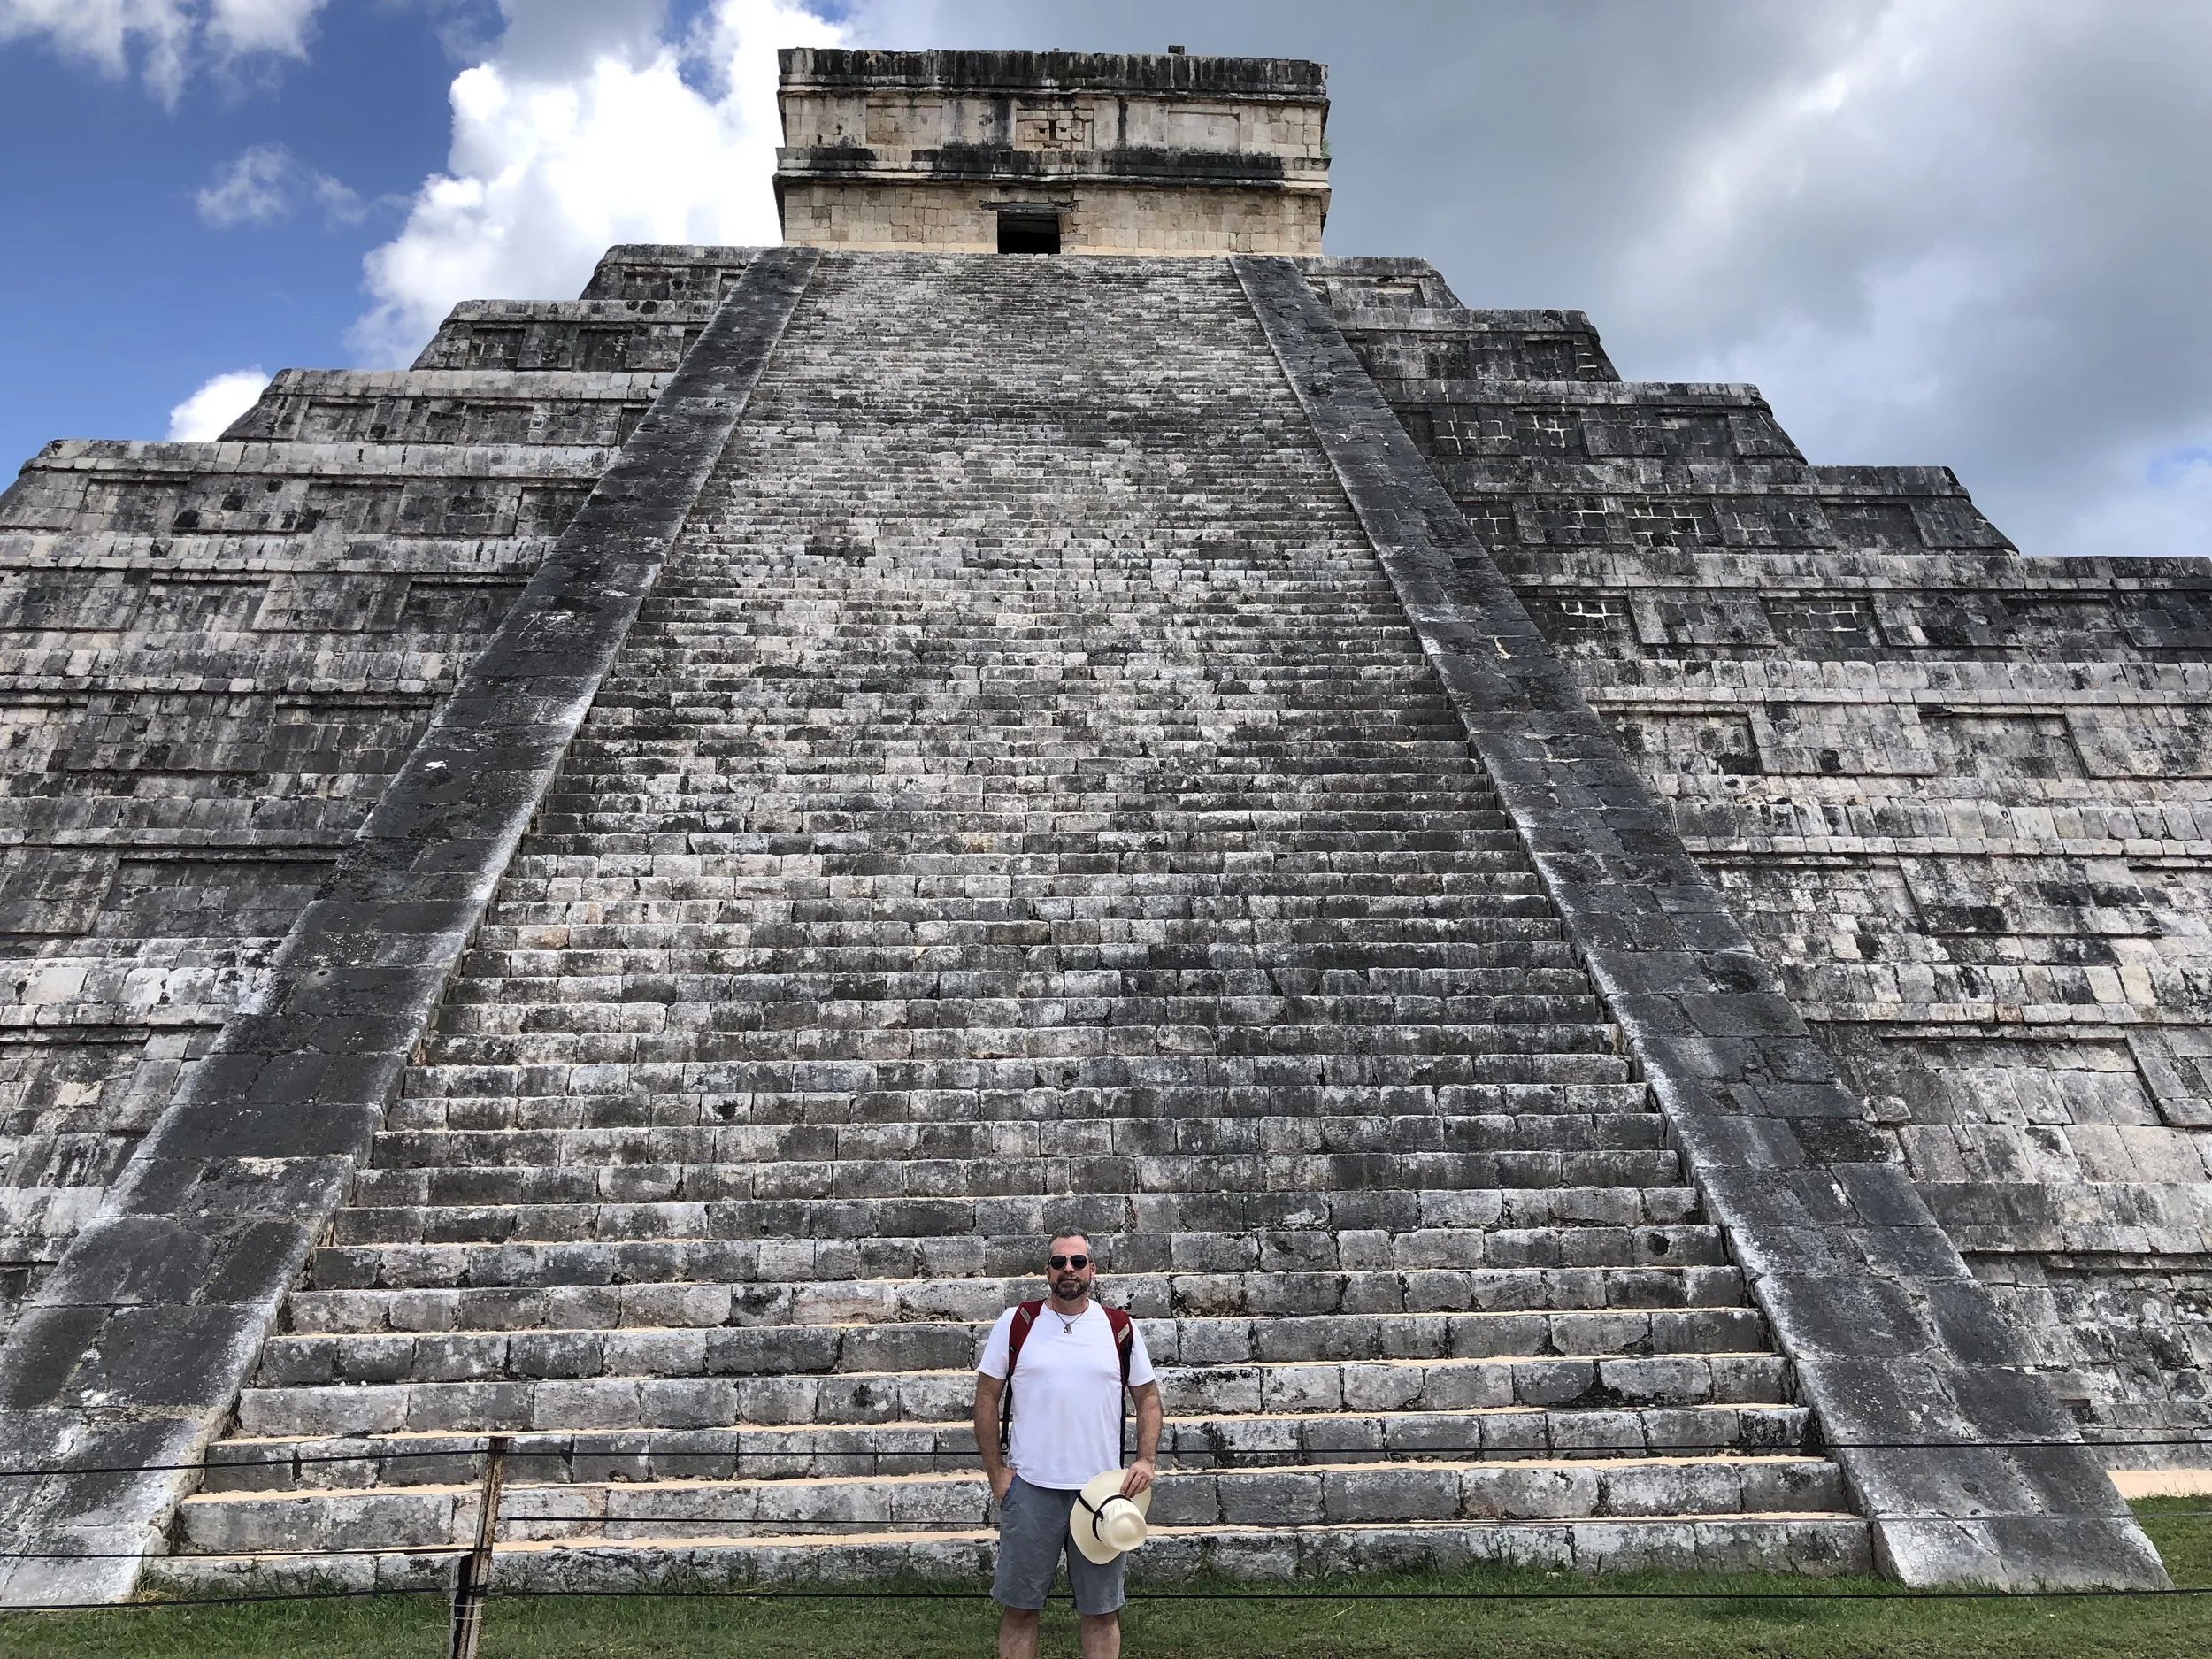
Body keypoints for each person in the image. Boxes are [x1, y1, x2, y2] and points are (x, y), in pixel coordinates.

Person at [973, 1232, 1164, 1659]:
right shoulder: (1016, 1323)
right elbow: (986, 1397)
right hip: (1031, 1489)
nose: (1069, 1270)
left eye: (1078, 1262)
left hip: (1102, 1494)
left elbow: (1148, 1397)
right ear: (1047, 1272)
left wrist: (1146, 1460)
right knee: (1020, 1609)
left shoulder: (1119, 1327)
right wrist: (996, 1472)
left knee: (1102, 1612)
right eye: (1059, 1263)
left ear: (1092, 1270)